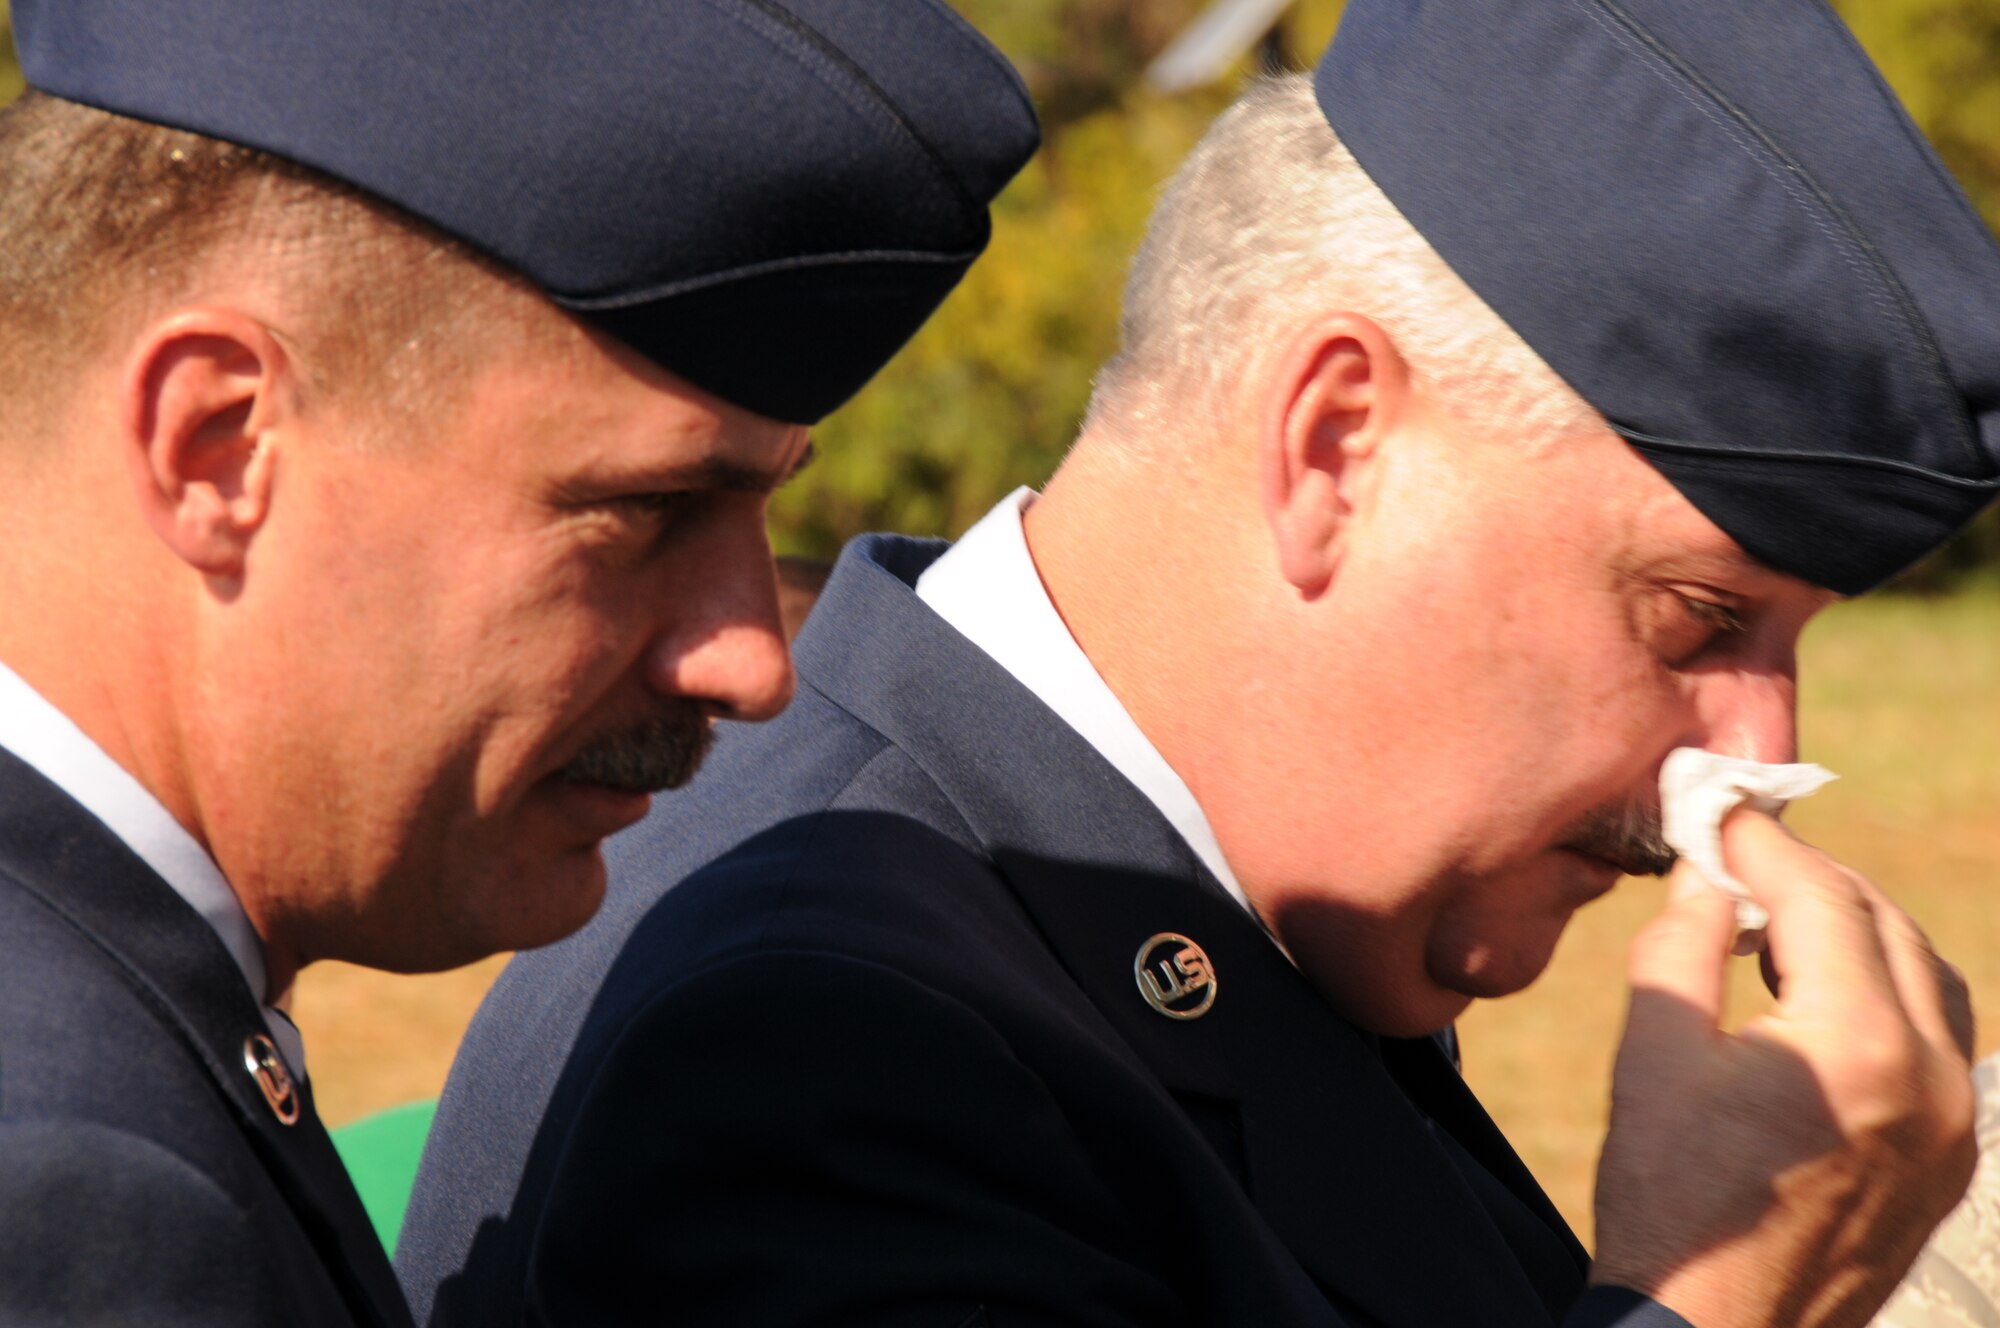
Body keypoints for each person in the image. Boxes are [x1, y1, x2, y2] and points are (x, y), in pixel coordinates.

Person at [400, 2, 1999, 1325]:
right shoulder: (833, 1048)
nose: (1749, 756)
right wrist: (1721, 1301)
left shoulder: (1147, 896)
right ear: (1336, 447)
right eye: (1698, 620)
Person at [0, 3, 1037, 1324]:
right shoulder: (62, 1194)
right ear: (220, 447)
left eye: (759, 512)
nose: (751, 664)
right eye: (644, 511)